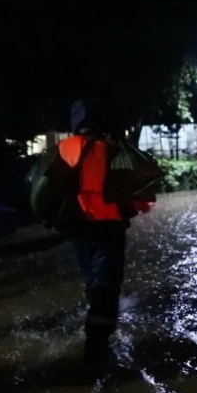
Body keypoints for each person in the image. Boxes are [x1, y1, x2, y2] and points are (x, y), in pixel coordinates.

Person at [34, 99, 144, 363]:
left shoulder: (63, 149)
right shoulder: (113, 150)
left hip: (77, 227)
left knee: (93, 280)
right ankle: (96, 348)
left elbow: (41, 195)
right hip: (109, 227)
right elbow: (136, 194)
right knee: (106, 284)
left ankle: (94, 337)